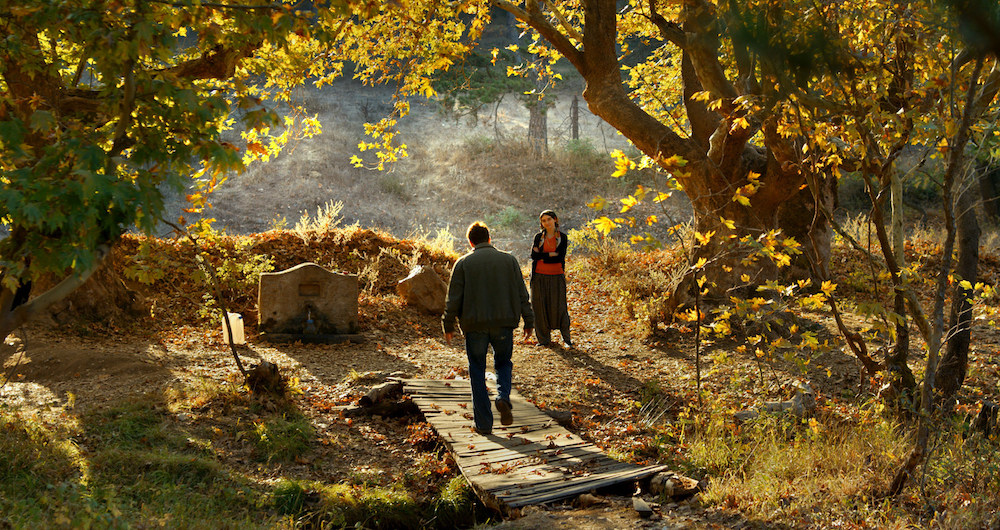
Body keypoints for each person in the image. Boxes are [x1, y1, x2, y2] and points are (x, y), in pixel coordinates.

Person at [443, 221, 534, 435]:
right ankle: (502, 397)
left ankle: (483, 424)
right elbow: (522, 293)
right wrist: (529, 320)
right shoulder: (509, 260)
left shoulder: (463, 263)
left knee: (476, 369)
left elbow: (453, 298)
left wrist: (448, 323)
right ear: (490, 238)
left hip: (475, 326)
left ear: (470, 242)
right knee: (503, 363)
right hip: (503, 324)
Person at [529, 210, 572, 347]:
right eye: (543, 220)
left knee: (560, 307)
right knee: (539, 307)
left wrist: (543, 255)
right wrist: (550, 255)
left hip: (556, 275)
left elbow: (559, 257)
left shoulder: (562, 238)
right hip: (538, 276)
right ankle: (544, 340)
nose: (546, 222)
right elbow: (533, 256)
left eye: (549, 219)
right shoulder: (538, 237)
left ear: (555, 220)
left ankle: (567, 340)